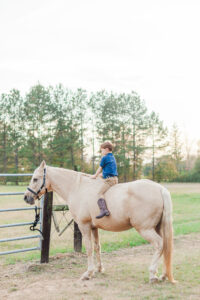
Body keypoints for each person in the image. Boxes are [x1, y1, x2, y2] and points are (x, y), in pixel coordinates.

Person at [90, 141, 118, 219]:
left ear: (106, 149)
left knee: (99, 193)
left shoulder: (104, 158)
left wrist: (95, 176)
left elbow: (100, 168)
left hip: (109, 180)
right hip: (115, 179)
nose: (101, 152)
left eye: (102, 150)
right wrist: (101, 175)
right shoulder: (112, 157)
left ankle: (104, 210)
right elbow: (110, 170)